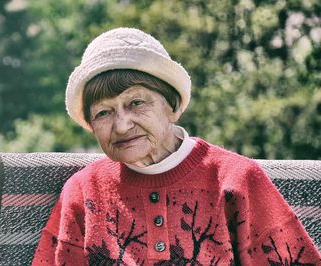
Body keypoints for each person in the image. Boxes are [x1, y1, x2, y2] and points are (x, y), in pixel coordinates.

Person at [32, 27, 320, 265]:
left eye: (136, 102)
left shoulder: (237, 180)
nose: (121, 125)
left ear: (172, 106)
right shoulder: (83, 191)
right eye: (103, 113)